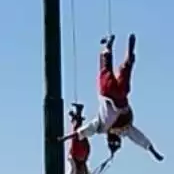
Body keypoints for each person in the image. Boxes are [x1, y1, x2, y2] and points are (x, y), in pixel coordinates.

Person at [61, 34, 165, 162]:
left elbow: (84, 131)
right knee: (111, 70)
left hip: (114, 95)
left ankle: (120, 55)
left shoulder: (104, 127)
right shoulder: (119, 129)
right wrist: (152, 150)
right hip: (112, 94)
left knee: (116, 73)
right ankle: (117, 53)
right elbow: (139, 138)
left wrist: (66, 137)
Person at [66, 103, 93, 174]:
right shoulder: (79, 172)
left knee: (78, 132)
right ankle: (77, 114)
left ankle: (77, 113)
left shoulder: (77, 171)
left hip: (80, 153)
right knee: (78, 132)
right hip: (80, 153)